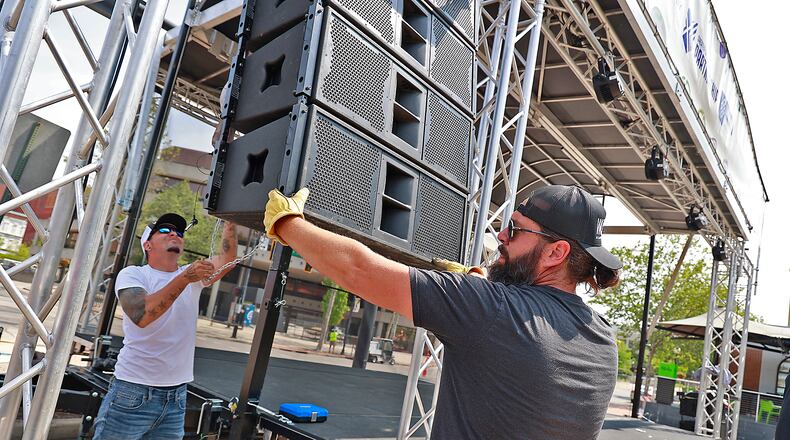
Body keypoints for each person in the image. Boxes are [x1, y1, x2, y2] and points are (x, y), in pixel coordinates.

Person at [263, 184, 622, 439]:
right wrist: (478, 292)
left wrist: (287, 224)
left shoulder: (489, 308)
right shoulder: (603, 338)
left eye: (514, 229)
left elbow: (359, 270)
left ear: (556, 252)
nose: (501, 236)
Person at [92, 214, 238, 439]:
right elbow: (142, 315)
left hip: (176, 397)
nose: (174, 234)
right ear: (147, 245)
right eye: (163, 230)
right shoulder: (134, 274)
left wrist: (230, 219)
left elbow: (228, 258)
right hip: (132, 392)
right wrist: (185, 278)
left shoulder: (192, 277)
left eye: (179, 232)